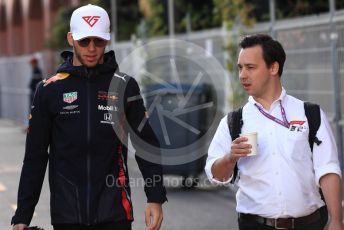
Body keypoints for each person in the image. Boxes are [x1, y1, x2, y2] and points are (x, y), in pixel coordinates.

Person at [12, 4, 167, 230]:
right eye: (84, 41)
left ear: (108, 39)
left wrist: (155, 197)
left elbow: (146, 144)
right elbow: (35, 158)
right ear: (70, 38)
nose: (92, 48)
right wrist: (22, 216)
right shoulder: (48, 90)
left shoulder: (125, 86)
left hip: (116, 212)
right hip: (67, 215)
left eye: (99, 41)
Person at [205, 34, 343, 230]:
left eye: (250, 67)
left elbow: (327, 169)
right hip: (254, 225)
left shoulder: (309, 113)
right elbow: (215, 175)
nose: (242, 75)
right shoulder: (233, 121)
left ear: (273, 68)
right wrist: (229, 158)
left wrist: (337, 220)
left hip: (309, 223)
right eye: (240, 68)